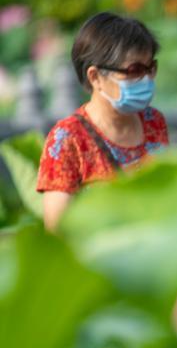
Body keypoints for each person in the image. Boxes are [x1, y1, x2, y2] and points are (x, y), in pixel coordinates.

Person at [36, 12, 168, 231]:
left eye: (150, 68)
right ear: (95, 77)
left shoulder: (153, 122)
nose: (146, 80)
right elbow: (58, 228)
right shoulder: (67, 139)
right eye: (134, 70)